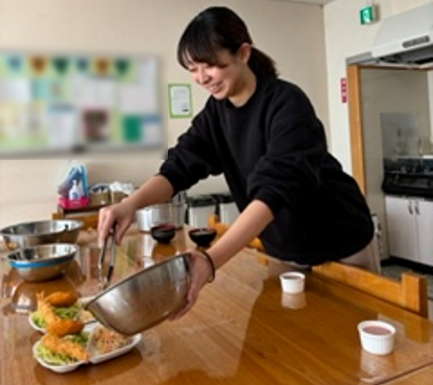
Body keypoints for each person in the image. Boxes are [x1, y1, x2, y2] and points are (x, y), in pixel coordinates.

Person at [98, 6, 379, 318]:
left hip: (341, 243)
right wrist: (130, 205)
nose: (201, 77)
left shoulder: (286, 103)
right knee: (288, 349)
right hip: (284, 250)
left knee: (351, 354)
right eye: (193, 68)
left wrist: (210, 260)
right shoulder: (216, 113)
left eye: (209, 65)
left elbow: (274, 191)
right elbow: (178, 166)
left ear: (243, 53)